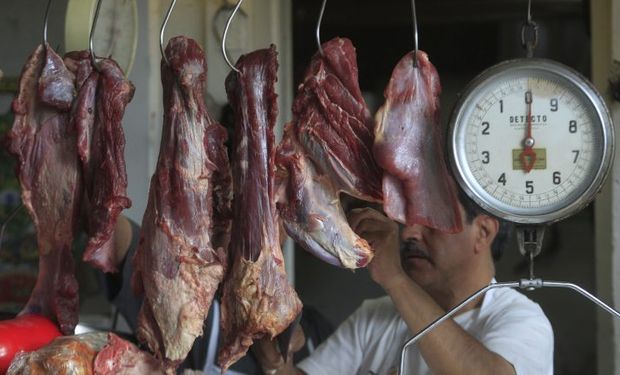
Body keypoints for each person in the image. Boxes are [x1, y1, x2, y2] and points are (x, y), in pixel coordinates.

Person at [253, 189, 554, 374]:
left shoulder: (521, 320)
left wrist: (395, 278)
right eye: (408, 218)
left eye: (431, 221)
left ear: (483, 232)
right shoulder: (376, 315)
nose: (409, 233)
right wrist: (276, 363)